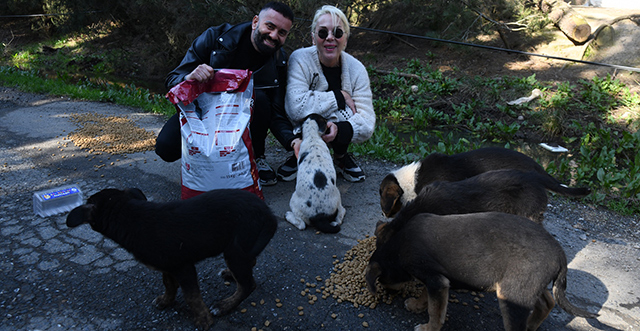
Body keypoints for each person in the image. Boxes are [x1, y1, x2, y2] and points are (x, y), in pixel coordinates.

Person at [156, 1, 298, 186]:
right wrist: (189, 78)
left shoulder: (280, 61)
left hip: (245, 119)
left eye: (282, 33)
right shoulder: (215, 37)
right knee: (166, 148)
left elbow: (277, 112)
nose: (273, 36)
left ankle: (256, 156)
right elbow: (172, 79)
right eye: (269, 26)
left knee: (261, 98)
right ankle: (203, 157)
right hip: (203, 114)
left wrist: (293, 142)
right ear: (255, 22)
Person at [279, 5, 375, 183]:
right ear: (313, 38)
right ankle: (301, 152)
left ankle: (340, 155)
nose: (330, 37)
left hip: (338, 129)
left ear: (345, 39)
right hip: (304, 128)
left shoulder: (357, 69)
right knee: (329, 108)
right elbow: (295, 107)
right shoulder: (300, 59)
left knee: (342, 115)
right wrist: (339, 96)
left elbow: (367, 122)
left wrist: (338, 129)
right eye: (323, 33)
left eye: (338, 32)